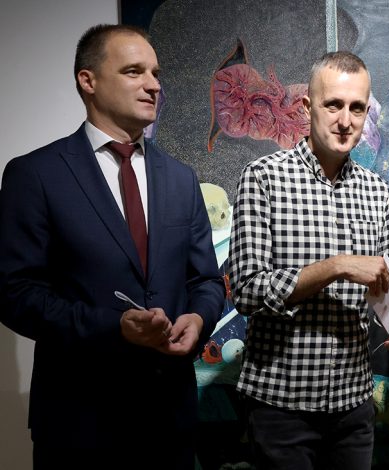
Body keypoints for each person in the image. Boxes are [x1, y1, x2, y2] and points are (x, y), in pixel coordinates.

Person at [0, 24, 225, 469]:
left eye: (156, 73)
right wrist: (113, 326)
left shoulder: (181, 178)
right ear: (88, 80)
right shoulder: (35, 175)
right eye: (134, 71)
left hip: (169, 423)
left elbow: (206, 281)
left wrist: (199, 318)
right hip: (79, 424)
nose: (153, 85)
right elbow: (14, 294)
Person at [228, 51, 389, 470]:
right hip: (281, 406)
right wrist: (337, 266)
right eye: (333, 105)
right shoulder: (263, 178)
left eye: (357, 108)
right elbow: (246, 291)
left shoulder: (376, 190)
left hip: (353, 407)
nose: (345, 120)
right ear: (307, 107)